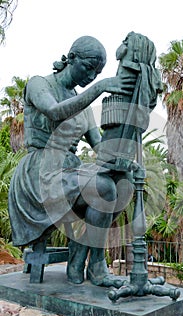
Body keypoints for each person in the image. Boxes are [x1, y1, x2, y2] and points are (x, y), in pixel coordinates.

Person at [8, 36, 136, 287]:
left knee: (123, 183)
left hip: (70, 169)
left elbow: (100, 147)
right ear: (72, 58)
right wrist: (99, 88)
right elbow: (55, 111)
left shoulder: (85, 107)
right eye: (88, 68)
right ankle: (93, 266)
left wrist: (125, 158)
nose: (91, 76)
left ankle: (82, 261)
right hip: (40, 170)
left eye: (97, 73)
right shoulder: (39, 84)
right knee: (103, 187)